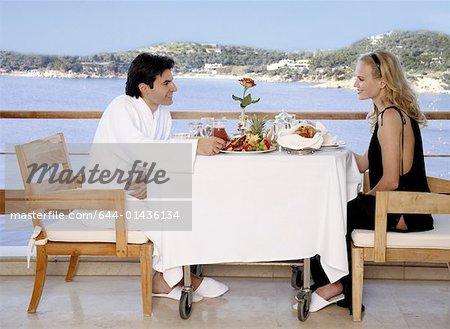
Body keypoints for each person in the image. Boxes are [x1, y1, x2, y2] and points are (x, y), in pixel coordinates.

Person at [91, 53, 228, 301]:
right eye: (166, 83)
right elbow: (141, 150)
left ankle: (169, 277)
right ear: (145, 88)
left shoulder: (160, 112)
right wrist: (195, 146)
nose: (174, 88)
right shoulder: (121, 108)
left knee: (193, 199)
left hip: (136, 189)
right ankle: (176, 278)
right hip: (109, 197)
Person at [307, 50, 433, 313]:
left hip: (404, 211)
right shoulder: (389, 115)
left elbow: (390, 181)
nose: (355, 85)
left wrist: (361, 201)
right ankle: (331, 282)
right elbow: (364, 163)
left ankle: (334, 286)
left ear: (383, 81)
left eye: (361, 79)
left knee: (334, 212)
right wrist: (321, 143)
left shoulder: (390, 117)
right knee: (333, 208)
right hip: (403, 205)